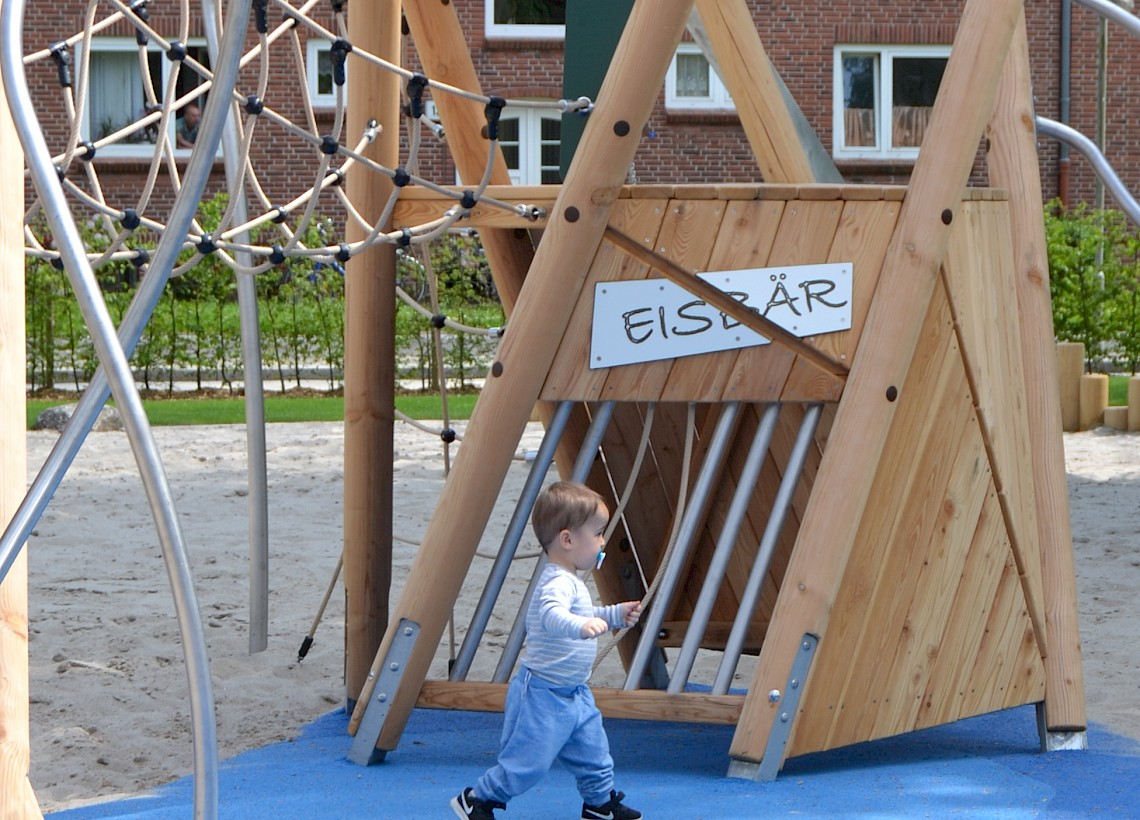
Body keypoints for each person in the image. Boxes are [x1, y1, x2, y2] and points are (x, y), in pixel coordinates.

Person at [451, 481, 644, 820]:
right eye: (598, 533)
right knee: (528, 762)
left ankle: (599, 804)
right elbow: (553, 615)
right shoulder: (556, 581)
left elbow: (584, 613)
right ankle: (478, 799)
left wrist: (614, 614)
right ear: (567, 540)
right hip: (542, 694)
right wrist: (580, 626)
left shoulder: (571, 579)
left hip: (575, 693)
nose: (603, 542)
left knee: (595, 754)